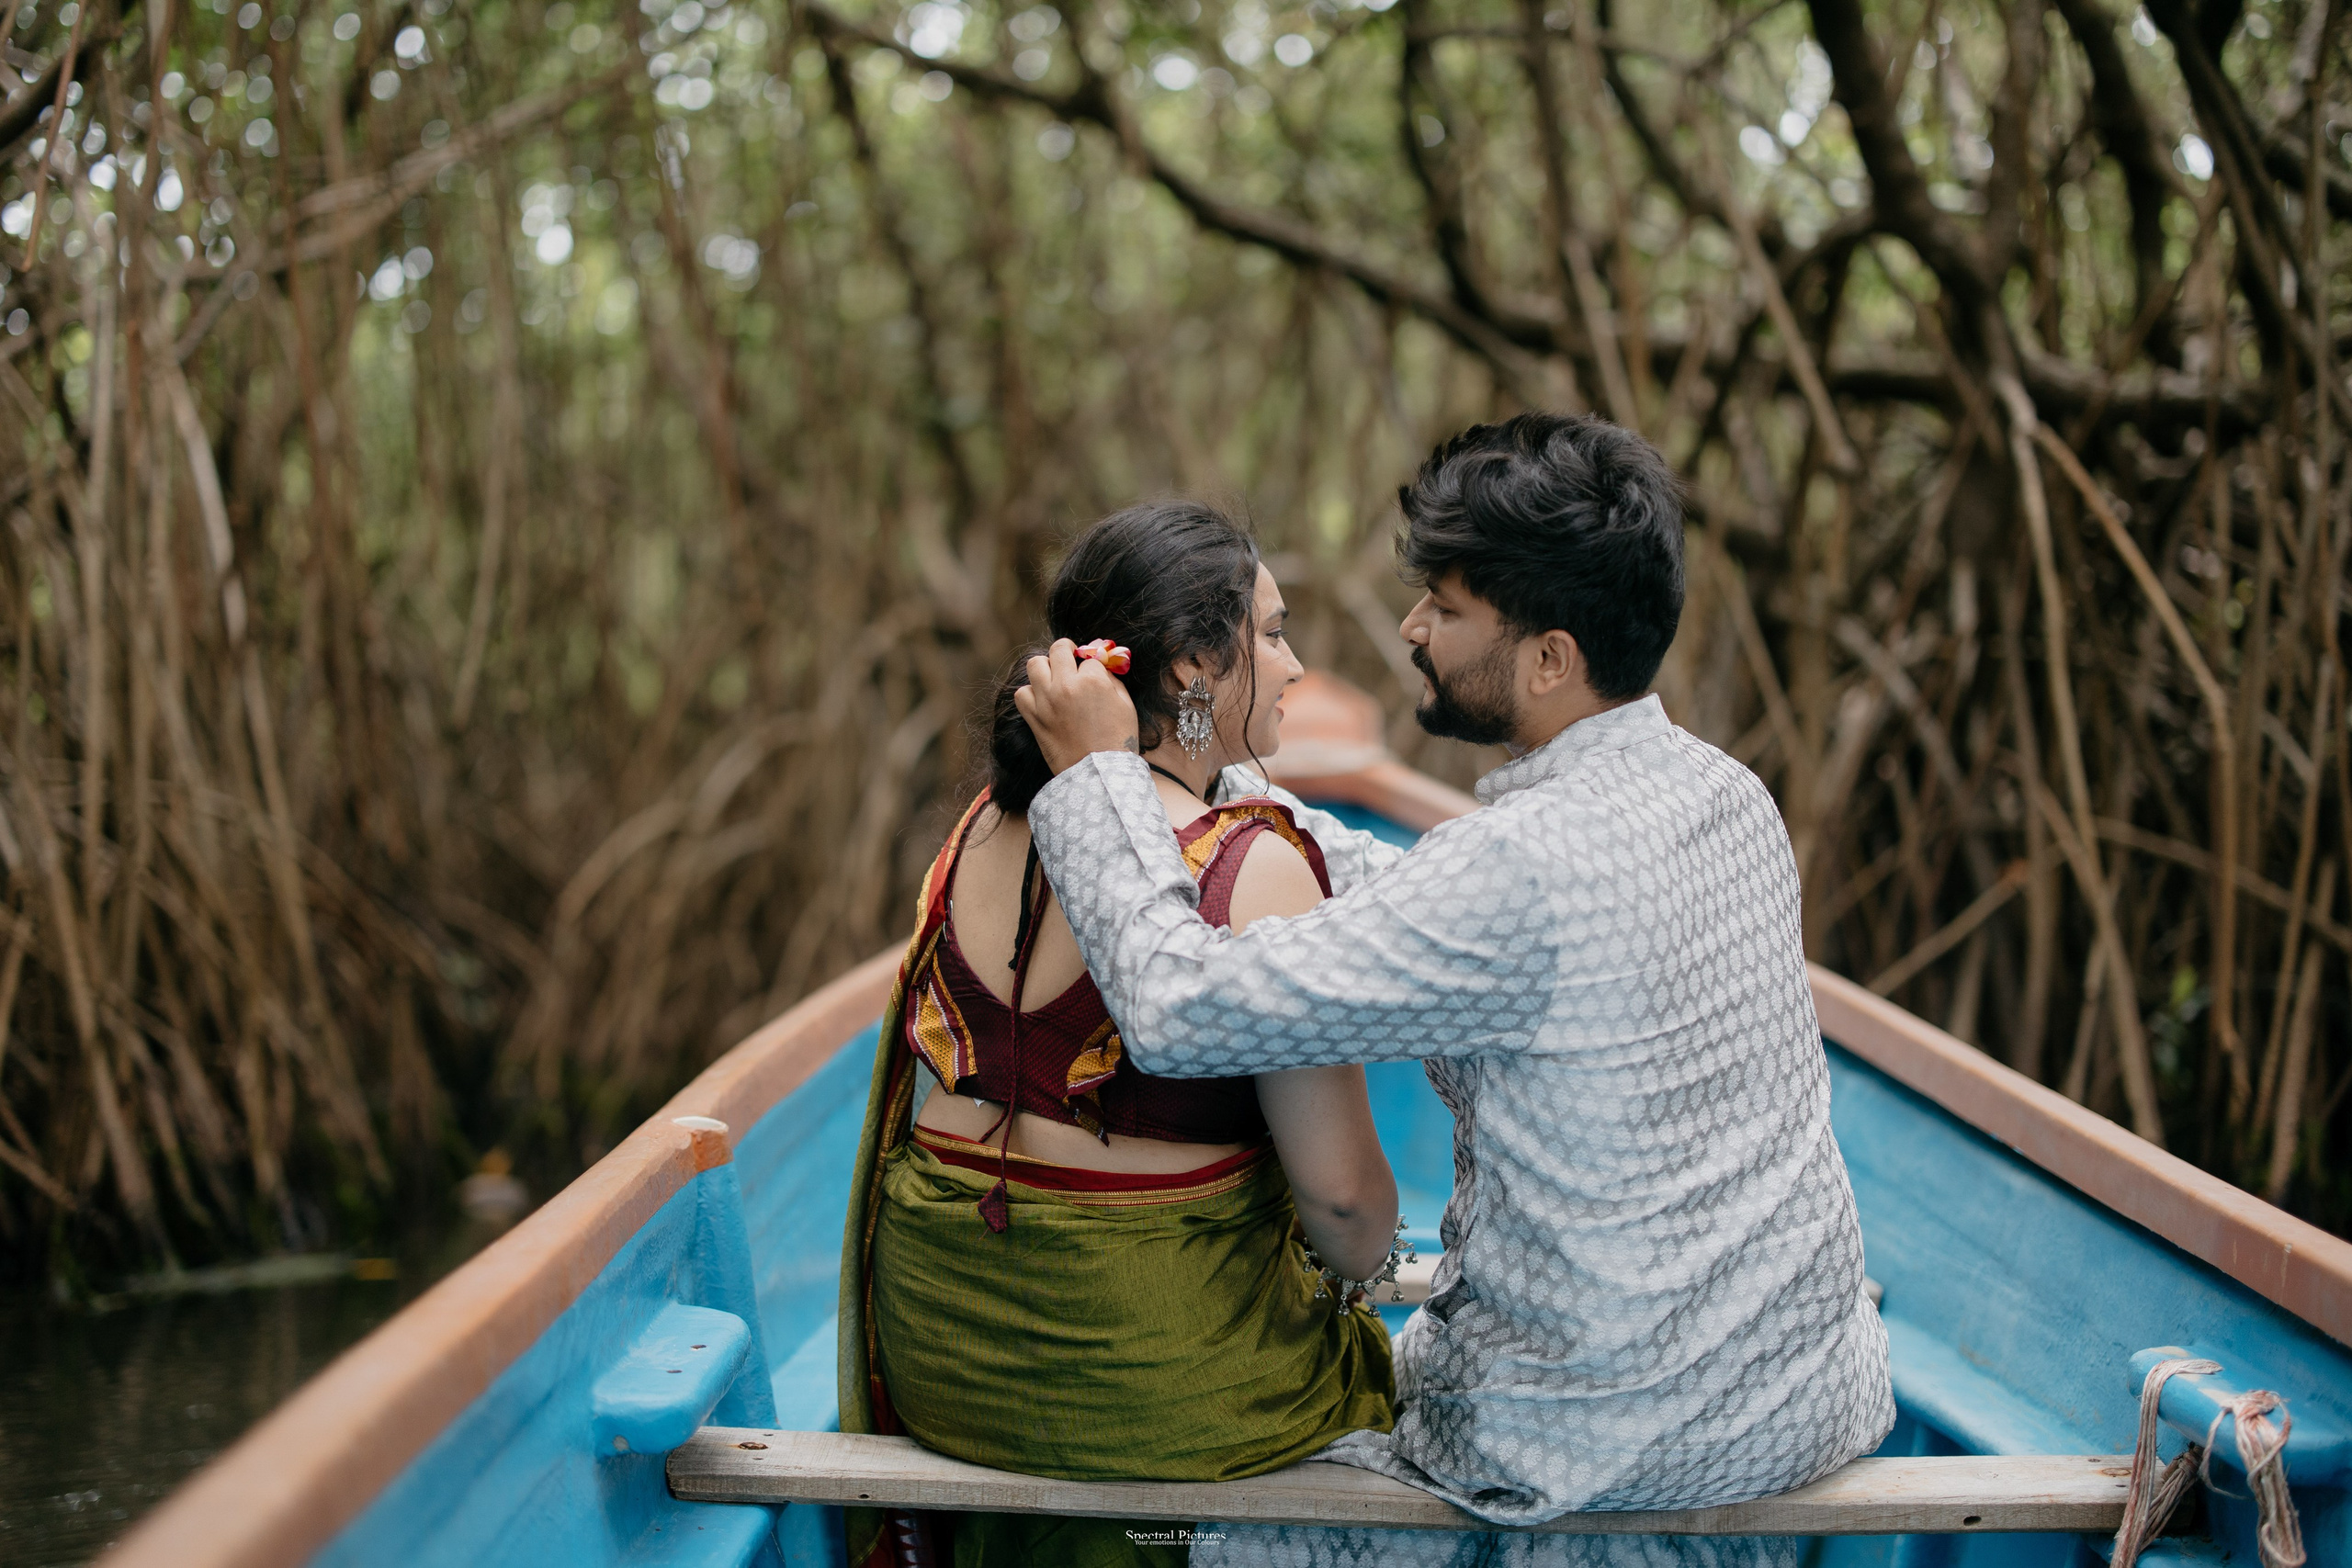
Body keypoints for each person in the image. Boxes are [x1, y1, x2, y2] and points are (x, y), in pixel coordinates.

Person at [1014, 413, 1897, 1567]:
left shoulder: (1514, 870)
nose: (1411, 627)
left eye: (1447, 606)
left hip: (1591, 1455)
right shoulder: (1723, 793)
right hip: (1802, 1400)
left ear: (1548, 657)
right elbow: (1422, 898)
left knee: (1201, 1540)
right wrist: (1221, 778)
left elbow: (1180, 1008)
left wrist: (1097, 783)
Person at [839, 501, 1402, 1568]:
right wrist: (1363, 1287)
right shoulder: (1253, 868)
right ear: (1194, 667)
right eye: (1273, 634)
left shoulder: (985, 825)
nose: (1293, 668)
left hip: (944, 1364)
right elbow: (1344, 1208)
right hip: (1153, 1386)